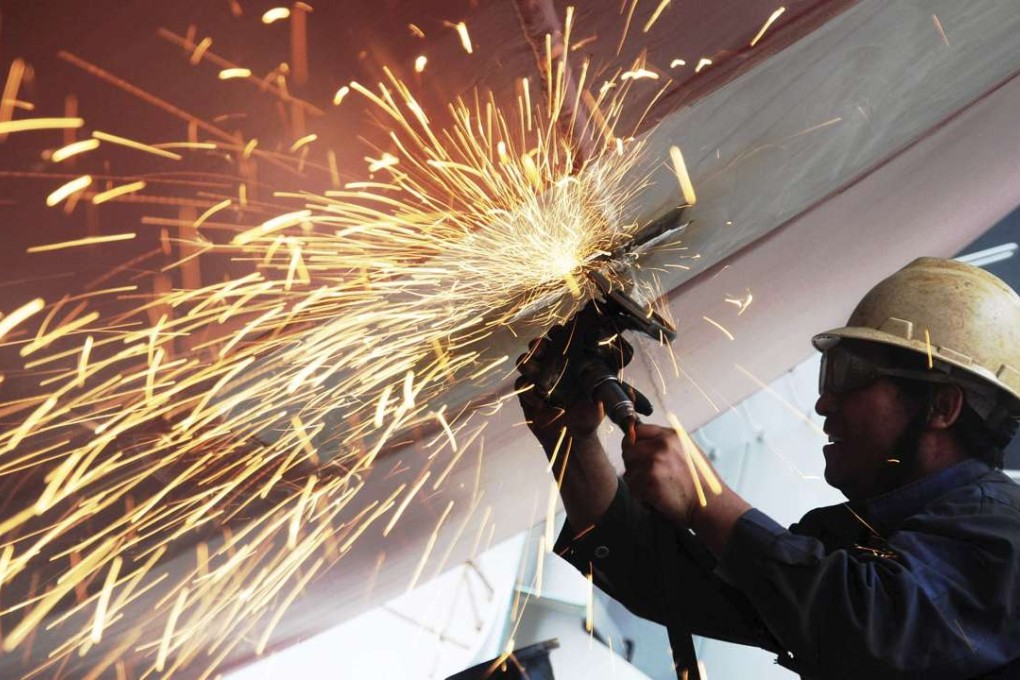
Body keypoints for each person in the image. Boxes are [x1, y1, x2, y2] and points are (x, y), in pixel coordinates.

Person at [516, 257, 1020, 679]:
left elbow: (873, 636)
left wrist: (708, 502)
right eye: (829, 374)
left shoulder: (1004, 536)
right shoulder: (861, 544)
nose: (824, 402)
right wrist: (572, 440)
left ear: (941, 407)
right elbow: (669, 585)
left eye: (850, 376)